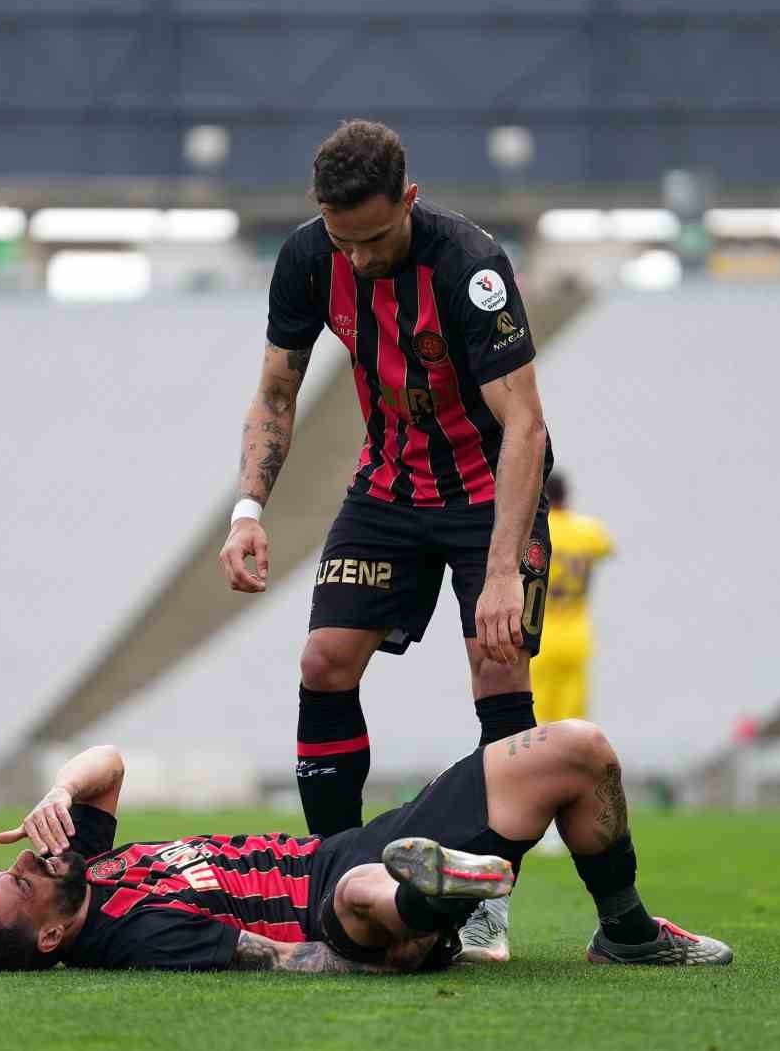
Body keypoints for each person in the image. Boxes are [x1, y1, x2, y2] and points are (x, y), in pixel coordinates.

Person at [217, 120, 554, 962]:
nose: (358, 258)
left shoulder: (469, 267)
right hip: (389, 487)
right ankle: (332, 886)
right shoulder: (306, 259)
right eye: (343, 239)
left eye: (373, 237)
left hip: (487, 493)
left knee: (498, 660)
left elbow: (525, 427)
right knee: (323, 662)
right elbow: (275, 392)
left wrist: (505, 569)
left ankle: (484, 901)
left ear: (408, 199)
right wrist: (247, 511)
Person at [0, 720, 732, 973]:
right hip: (341, 913)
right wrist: (389, 947)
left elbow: (107, 764)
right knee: (360, 891)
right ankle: (427, 902)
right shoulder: (129, 933)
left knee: (578, 749)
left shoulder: (82, 863)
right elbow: (281, 958)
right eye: (17, 886)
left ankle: (622, 932)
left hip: (354, 846)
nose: (22, 862)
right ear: (49, 935)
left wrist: (57, 790)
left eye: (6, 866)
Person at [531, 474, 615, 725]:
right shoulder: (588, 531)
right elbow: (607, 547)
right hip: (577, 636)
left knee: (537, 718)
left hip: (539, 635)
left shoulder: (535, 530)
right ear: (567, 495)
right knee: (574, 722)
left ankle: (540, 765)